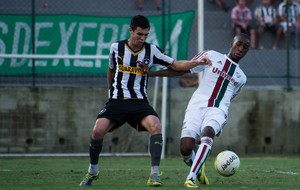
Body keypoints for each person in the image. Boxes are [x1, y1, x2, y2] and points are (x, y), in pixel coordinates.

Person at [78, 15, 211, 187]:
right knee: (97, 131)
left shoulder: (152, 50)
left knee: (156, 126)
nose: (142, 38)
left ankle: (154, 174)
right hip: (117, 101)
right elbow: (111, 70)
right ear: (130, 30)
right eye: (139, 34)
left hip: (140, 102)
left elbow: (175, 64)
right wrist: (111, 91)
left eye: (146, 35)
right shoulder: (115, 48)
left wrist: (196, 62)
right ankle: (93, 171)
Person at [145, 33, 250, 188]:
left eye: (245, 47)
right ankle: (199, 169)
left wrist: (219, 122)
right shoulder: (211, 55)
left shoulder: (241, 77)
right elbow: (183, 69)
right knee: (186, 149)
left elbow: (229, 98)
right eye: (238, 44)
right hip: (196, 106)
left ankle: (191, 178)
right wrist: (153, 73)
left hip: (217, 109)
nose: (240, 49)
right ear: (231, 44)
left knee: (208, 133)